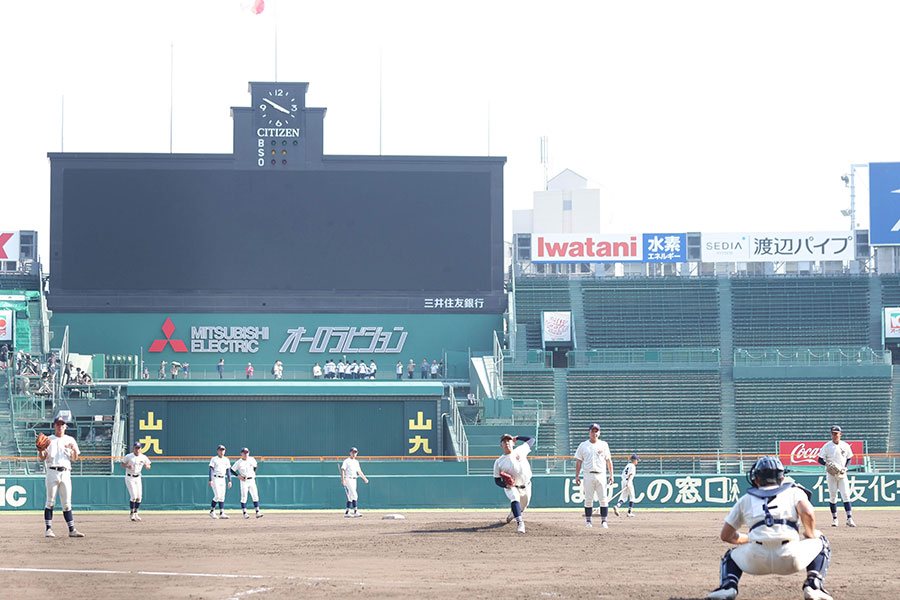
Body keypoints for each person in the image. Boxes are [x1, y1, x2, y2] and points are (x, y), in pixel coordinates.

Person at [703, 456, 833, 600]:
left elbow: (726, 536)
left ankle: (728, 587)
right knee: (822, 542)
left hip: (756, 559)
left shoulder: (746, 499)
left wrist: (749, 539)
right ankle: (813, 586)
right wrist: (810, 533)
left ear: (756, 479)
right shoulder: (794, 491)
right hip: (790, 557)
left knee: (730, 556)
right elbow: (807, 512)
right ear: (782, 478)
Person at [39, 412, 85, 538]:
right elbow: (42, 458)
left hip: (65, 472)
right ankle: (48, 529)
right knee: (50, 502)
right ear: (54, 426)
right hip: (52, 471)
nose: (60, 426)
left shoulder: (70, 440)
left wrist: (74, 450)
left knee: (66, 504)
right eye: (58, 424)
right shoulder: (49, 440)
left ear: (65, 426)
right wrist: (40, 451)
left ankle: (72, 530)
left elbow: (75, 458)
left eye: (62, 424)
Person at [493, 433, 535, 534]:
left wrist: (517, 437)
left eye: (508, 440)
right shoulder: (499, 462)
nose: (506, 442)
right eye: (504, 441)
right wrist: (505, 485)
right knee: (515, 498)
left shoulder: (520, 450)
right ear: (501, 445)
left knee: (523, 507)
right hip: (512, 486)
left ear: (513, 443)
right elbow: (497, 480)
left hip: (526, 485)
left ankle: (513, 513)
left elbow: (531, 440)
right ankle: (520, 523)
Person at [573, 423, 614, 528]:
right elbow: (579, 461)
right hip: (588, 474)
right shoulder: (583, 445)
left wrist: (611, 475)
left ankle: (604, 521)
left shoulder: (604, 444)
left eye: (596, 431)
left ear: (599, 433)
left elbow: (608, 461)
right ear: (589, 432)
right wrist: (577, 476)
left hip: (601, 474)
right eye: (593, 431)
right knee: (588, 499)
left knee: (603, 498)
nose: (594, 433)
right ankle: (588, 521)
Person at [817, 425, 855, 527]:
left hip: (842, 473)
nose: (834, 435)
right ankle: (835, 519)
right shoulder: (827, 446)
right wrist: (826, 464)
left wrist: (846, 468)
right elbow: (819, 459)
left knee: (846, 495)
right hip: (831, 474)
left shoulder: (845, 445)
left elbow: (849, 458)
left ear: (840, 434)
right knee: (833, 496)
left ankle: (849, 518)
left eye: (836, 433)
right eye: (833, 434)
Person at [120, 441, 151, 521]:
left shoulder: (143, 457)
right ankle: (132, 513)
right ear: (134, 448)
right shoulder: (129, 456)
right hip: (129, 477)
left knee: (139, 497)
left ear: (140, 448)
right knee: (133, 496)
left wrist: (147, 465)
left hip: (138, 477)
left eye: (138, 448)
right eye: (136, 448)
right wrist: (127, 466)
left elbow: (149, 465)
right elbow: (122, 464)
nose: (137, 449)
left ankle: (136, 513)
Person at [231, 447, 263, 519]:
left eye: (247, 453)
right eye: (244, 453)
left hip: (252, 480)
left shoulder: (252, 459)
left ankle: (257, 512)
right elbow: (232, 470)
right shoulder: (239, 462)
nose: (246, 454)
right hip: (244, 481)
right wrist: (239, 476)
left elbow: (255, 466)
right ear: (241, 453)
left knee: (255, 495)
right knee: (244, 497)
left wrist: (254, 473)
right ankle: (245, 513)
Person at [340, 447, 369, 517]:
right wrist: (343, 480)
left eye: (355, 452)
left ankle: (347, 512)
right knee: (354, 494)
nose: (354, 453)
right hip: (348, 479)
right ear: (350, 453)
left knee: (350, 496)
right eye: (353, 452)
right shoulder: (346, 461)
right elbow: (343, 470)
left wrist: (364, 478)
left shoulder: (356, 462)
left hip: (354, 479)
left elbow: (359, 471)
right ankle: (356, 511)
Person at [208, 444, 232, 519]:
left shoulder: (226, 459)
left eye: (223, 450)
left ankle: (222, 513)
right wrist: (210, 479)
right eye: (220, 450)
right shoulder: (214, 459)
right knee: (217, 496)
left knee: (222, 496)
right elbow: (211, 469)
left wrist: (229, 480)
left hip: (223, 478)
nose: (222, 451)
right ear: (217, 451)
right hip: (216, 478)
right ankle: (212, 511)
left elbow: (228, 471)